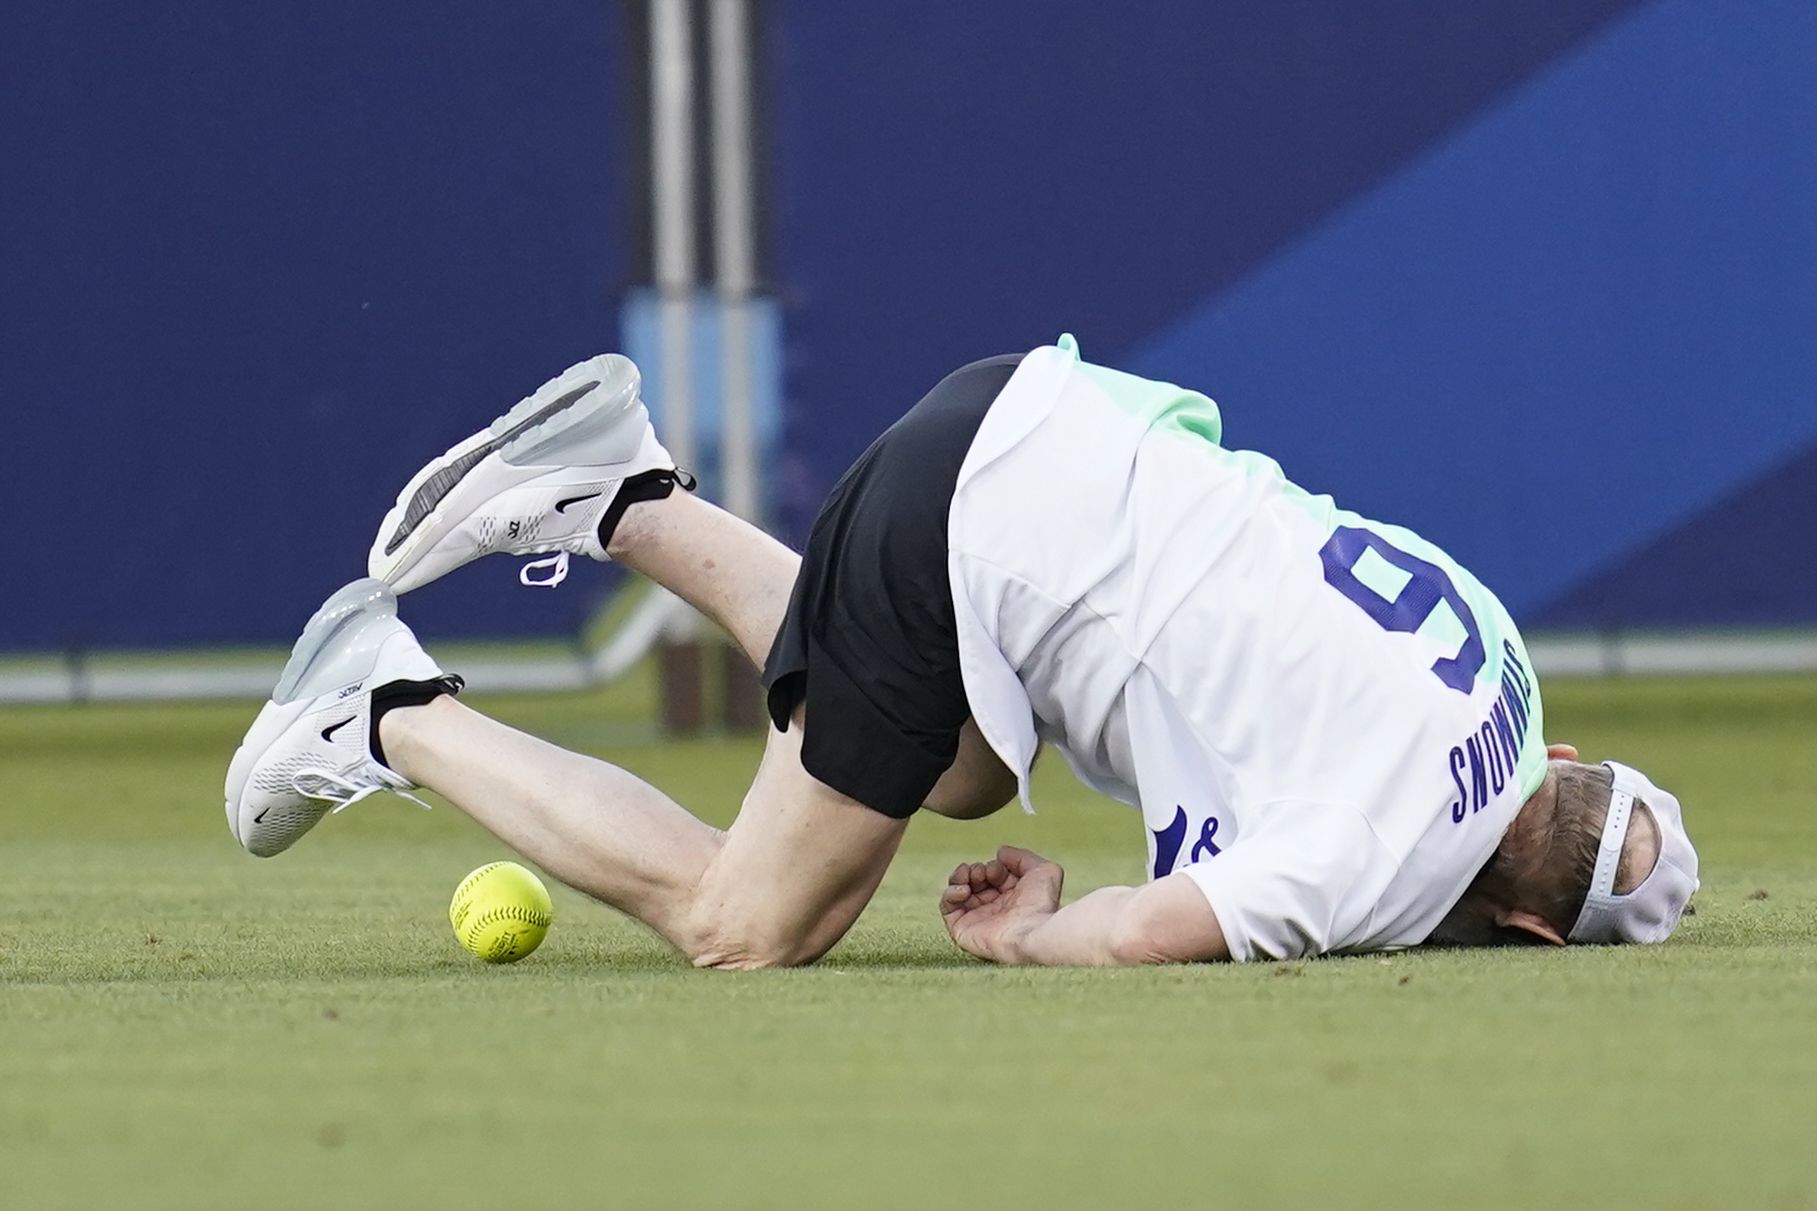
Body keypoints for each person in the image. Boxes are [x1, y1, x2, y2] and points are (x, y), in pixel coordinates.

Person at [224, 338, 1698, 968]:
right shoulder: (1373, 863)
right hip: (971, 545)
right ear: (1526, 934)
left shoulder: (1498, 657)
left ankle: (620, 495)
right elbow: (1131, 937)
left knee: (962, 775)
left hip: (1049, 410)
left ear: (1559, 761)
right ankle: (381, 704)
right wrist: (1031, 934)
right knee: (750, 926)